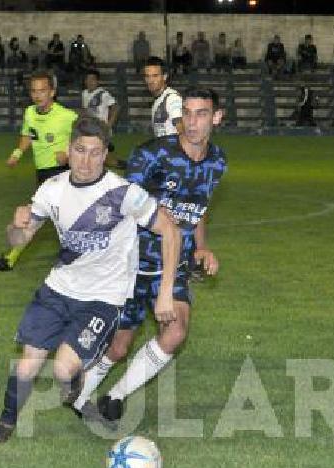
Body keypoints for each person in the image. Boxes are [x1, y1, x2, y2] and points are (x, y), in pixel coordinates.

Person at [0, 116, 183, 443]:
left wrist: (165, 292)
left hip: (102, 298)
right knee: (28, 364)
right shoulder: (51, 190)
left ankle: (74, 384)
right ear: (68, 150)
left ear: (105, 154)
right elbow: (18, 241)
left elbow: (170, 231)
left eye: (95, 152)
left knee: (63, 369)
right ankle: (6, 421)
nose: (86, 161)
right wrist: (16, 225)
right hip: (58, 289)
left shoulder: (123, 193)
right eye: (80, 151)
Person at [70, 87, 228, 429]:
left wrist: (201, 247)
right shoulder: (153, 156)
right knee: (118, 347)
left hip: (173, 264)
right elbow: (123, 206)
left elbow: (198, 208)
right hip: (132, 263)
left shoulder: (218, 161)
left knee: (176, 332)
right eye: (187, 113)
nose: (192, 121)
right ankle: (80, 398)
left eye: (201, 114)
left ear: (217, 118)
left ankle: (114, 398)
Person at [0, 71, 78, 272]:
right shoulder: (29, 112)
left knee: (37, 216)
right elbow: (28, 134)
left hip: (63, 173)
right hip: (43, 174)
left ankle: (10, 259)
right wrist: (17, 153)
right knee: (51, 217)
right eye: (34, 91)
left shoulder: (67, 116)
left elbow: (86, 138)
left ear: (52, 92)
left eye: (42, 91)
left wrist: (70, 154)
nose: (37, 95)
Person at [80, 69, 120, 168]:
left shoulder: (103, 94)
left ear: (98, 81)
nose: (90, 82)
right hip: (89, 129)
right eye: (88, 79)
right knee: (96, 154)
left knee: (98, 155)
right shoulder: (84, 93)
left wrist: (109, 125)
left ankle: (122, 164)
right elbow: (85, 110)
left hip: (100, 129)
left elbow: (115, 107)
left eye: (92, 79)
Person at [141, 57, 184, 138]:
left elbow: (182, 130)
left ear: (164, 77)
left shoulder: (172, 98)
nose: (151, 80)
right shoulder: (158, 100)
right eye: (147, 76)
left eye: (155, 76)